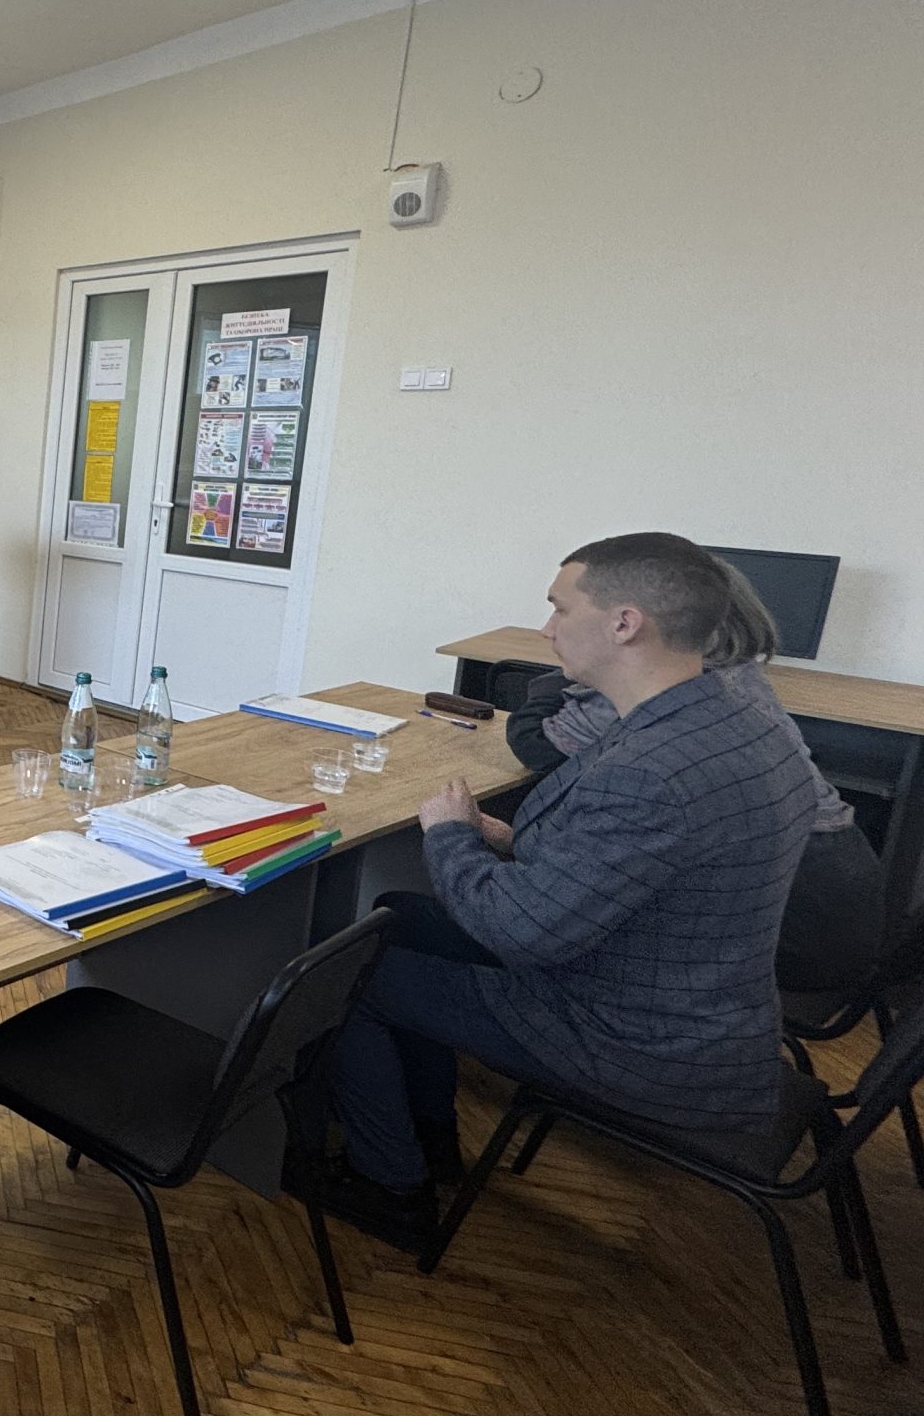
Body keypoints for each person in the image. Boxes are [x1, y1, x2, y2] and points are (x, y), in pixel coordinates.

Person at [306, 532, 819, 1251]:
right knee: (399, 918)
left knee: (341, 978)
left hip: (638, 1039)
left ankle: (390, 1186)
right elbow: (648, 865)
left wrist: (450, 835)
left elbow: (518, 931)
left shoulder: (649, 770)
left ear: (624, 623)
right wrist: (512, 840)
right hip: (696, 1000)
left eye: (560, 607)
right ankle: (430, 1137)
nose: (547, 628)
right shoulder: (736, 718)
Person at [505, 560, 887, 996]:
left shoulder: (660, 691)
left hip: (793, 930)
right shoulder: (739, 679)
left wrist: (570, 673)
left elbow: (537, 746)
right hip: (839, 894)